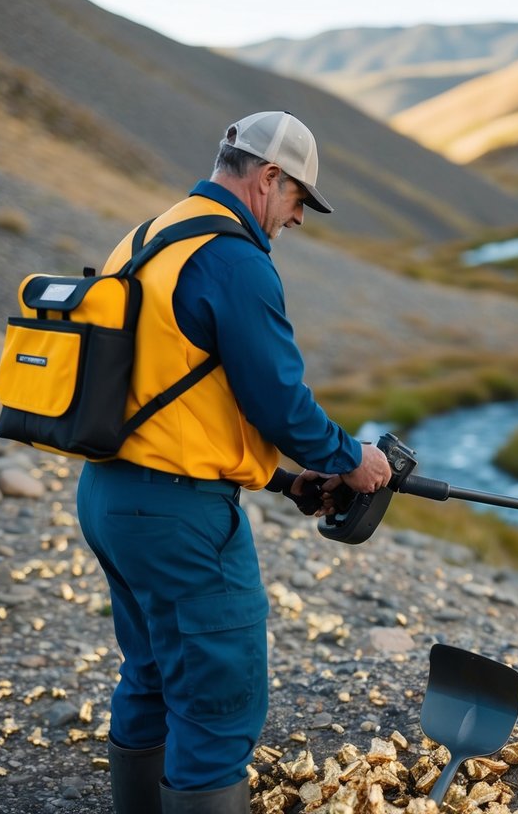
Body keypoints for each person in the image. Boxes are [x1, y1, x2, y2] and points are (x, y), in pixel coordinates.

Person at [75, 111, 392, 814]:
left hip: (109, 497)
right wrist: (352, 460)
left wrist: (282, 480)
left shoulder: (152, 234)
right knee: (219, 700)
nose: (299, 218)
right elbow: (277, 399)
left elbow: (168, 387)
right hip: (178, 518)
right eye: (299, 199)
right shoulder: (233, 258)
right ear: (269, 178)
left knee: (153, 674)